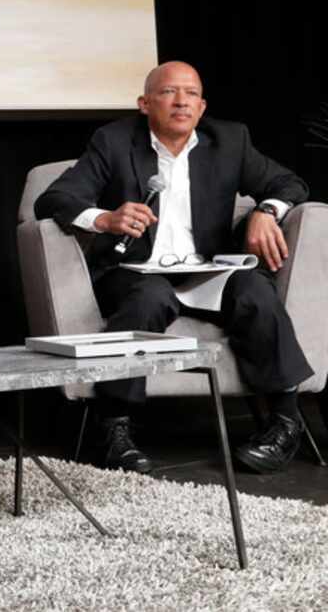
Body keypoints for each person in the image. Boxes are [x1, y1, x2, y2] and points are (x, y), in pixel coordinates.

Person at [35, 61, 313, 475]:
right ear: (145, 103)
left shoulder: (230, 140)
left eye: (191, 94)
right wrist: (105, 218)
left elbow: (289, 183)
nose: (181, 101)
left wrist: (266, 212)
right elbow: (54, 199)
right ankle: (114, 426)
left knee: (255, 292)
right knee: (150, 298)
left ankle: (284, 423)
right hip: (135, 271)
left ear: (202, 107)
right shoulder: (113, 141)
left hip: (208, 271)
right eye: (168, 92)